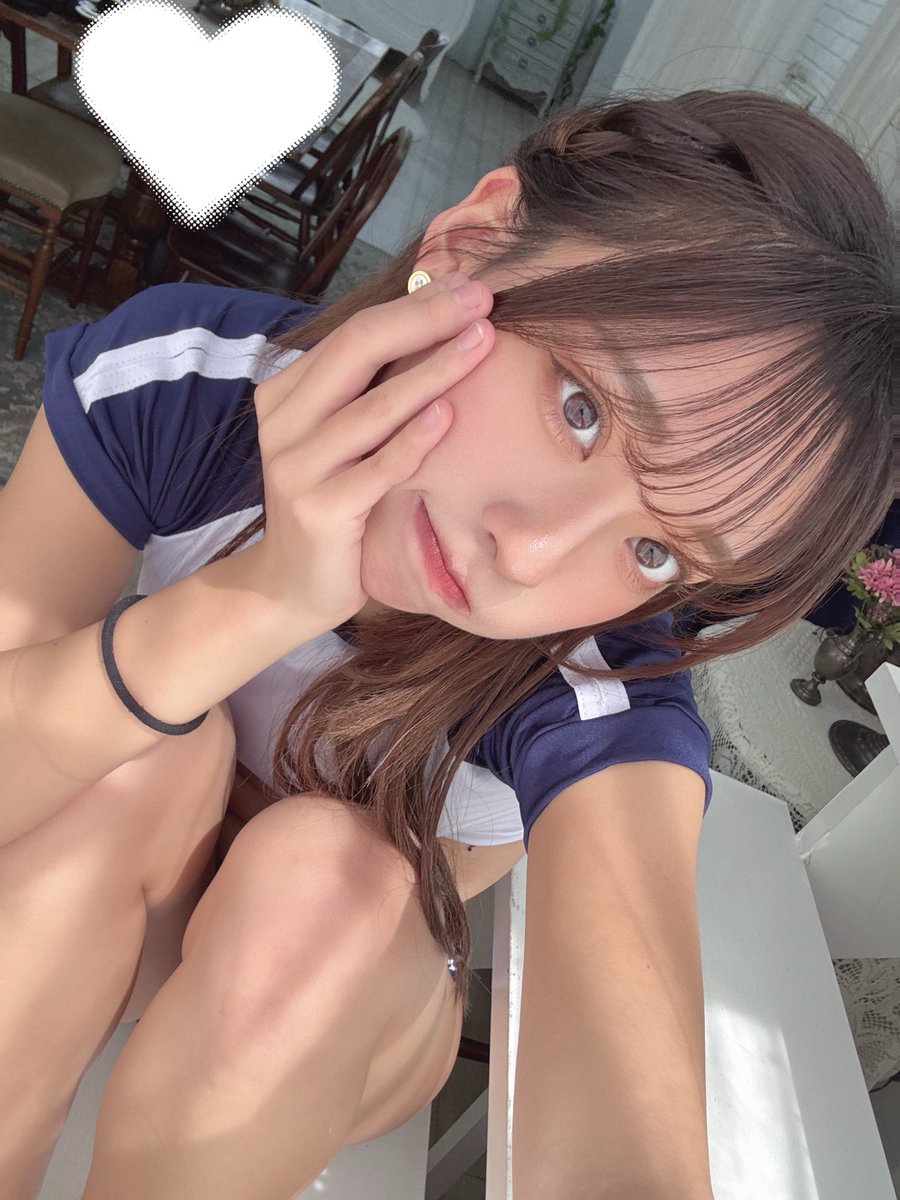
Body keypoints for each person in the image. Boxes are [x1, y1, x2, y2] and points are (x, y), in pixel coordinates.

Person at [0, 88, 893, 1200]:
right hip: (104, 897)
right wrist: (265, 595)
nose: (535, 555)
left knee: (324, 872)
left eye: (658, 551)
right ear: (470, 246)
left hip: (335, 1001)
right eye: (581, 408)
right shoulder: (186, 385)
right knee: (138, 760)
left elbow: (627, 1091)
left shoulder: (594, 683)